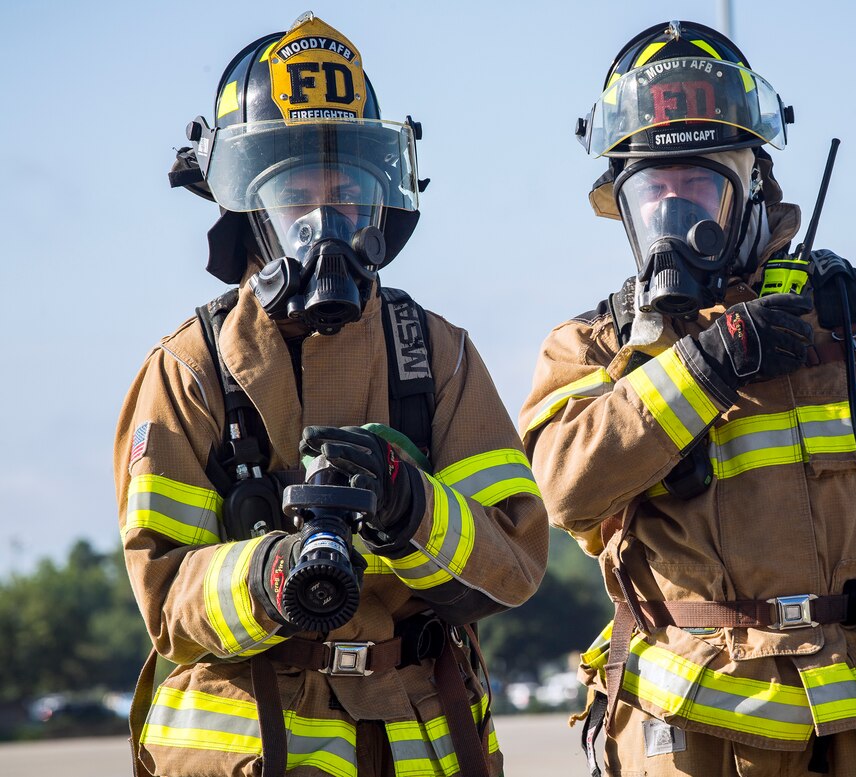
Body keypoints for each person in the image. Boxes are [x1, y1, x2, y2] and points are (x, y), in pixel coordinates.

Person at [519, 20, 856, 777]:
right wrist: (704, 367)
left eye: (700, 189)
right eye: (656, 195)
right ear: (624, 206)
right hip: (689, 736)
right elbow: (561, 486)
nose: (676, 216)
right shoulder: (592, 348)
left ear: (753, 187)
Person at [114, 12, 548, 777]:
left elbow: (511, 564)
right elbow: (165, 599)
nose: (326, 224)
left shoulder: (435, 355)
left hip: (416, 742)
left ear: (382, 199)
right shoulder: (188, 370)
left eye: (346, 192)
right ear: (250, 212)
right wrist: (269, 575)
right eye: (296, 196)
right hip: (253, 746)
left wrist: (409, 504)